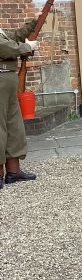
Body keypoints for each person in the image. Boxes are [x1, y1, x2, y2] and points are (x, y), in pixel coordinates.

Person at [0, 16, 40, 188]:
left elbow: (14, 36)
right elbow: (5, 48)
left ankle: (13, 172)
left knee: (14, 126)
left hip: (8, 82)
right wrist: (27, 47)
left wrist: (34, 23)